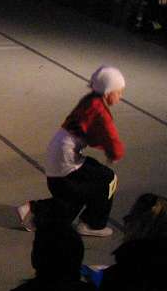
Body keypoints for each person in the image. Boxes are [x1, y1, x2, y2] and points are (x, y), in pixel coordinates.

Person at [17, 66, 125, 237]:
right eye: (118, 92)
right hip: (65, 158)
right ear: (107, 92)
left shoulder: (90, 101)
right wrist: (114, 153)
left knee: (78, 194)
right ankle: (92, 224)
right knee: (107, 180)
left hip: (60, 153)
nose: (121, 96)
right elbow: (111, 139)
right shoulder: (99, 110)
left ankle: (35, 211)